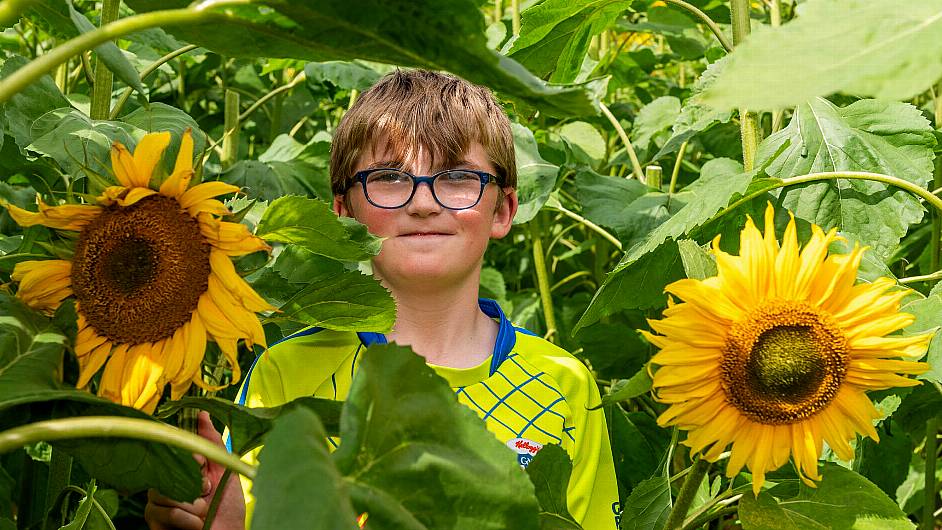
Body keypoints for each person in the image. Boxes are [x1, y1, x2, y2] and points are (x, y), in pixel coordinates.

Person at [145, 69, 620, 530]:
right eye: (390, 178)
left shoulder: (564, 385)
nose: (423, 202)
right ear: (344, 211)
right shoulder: (286, 374)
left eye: (457, 177)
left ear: (504, 209)